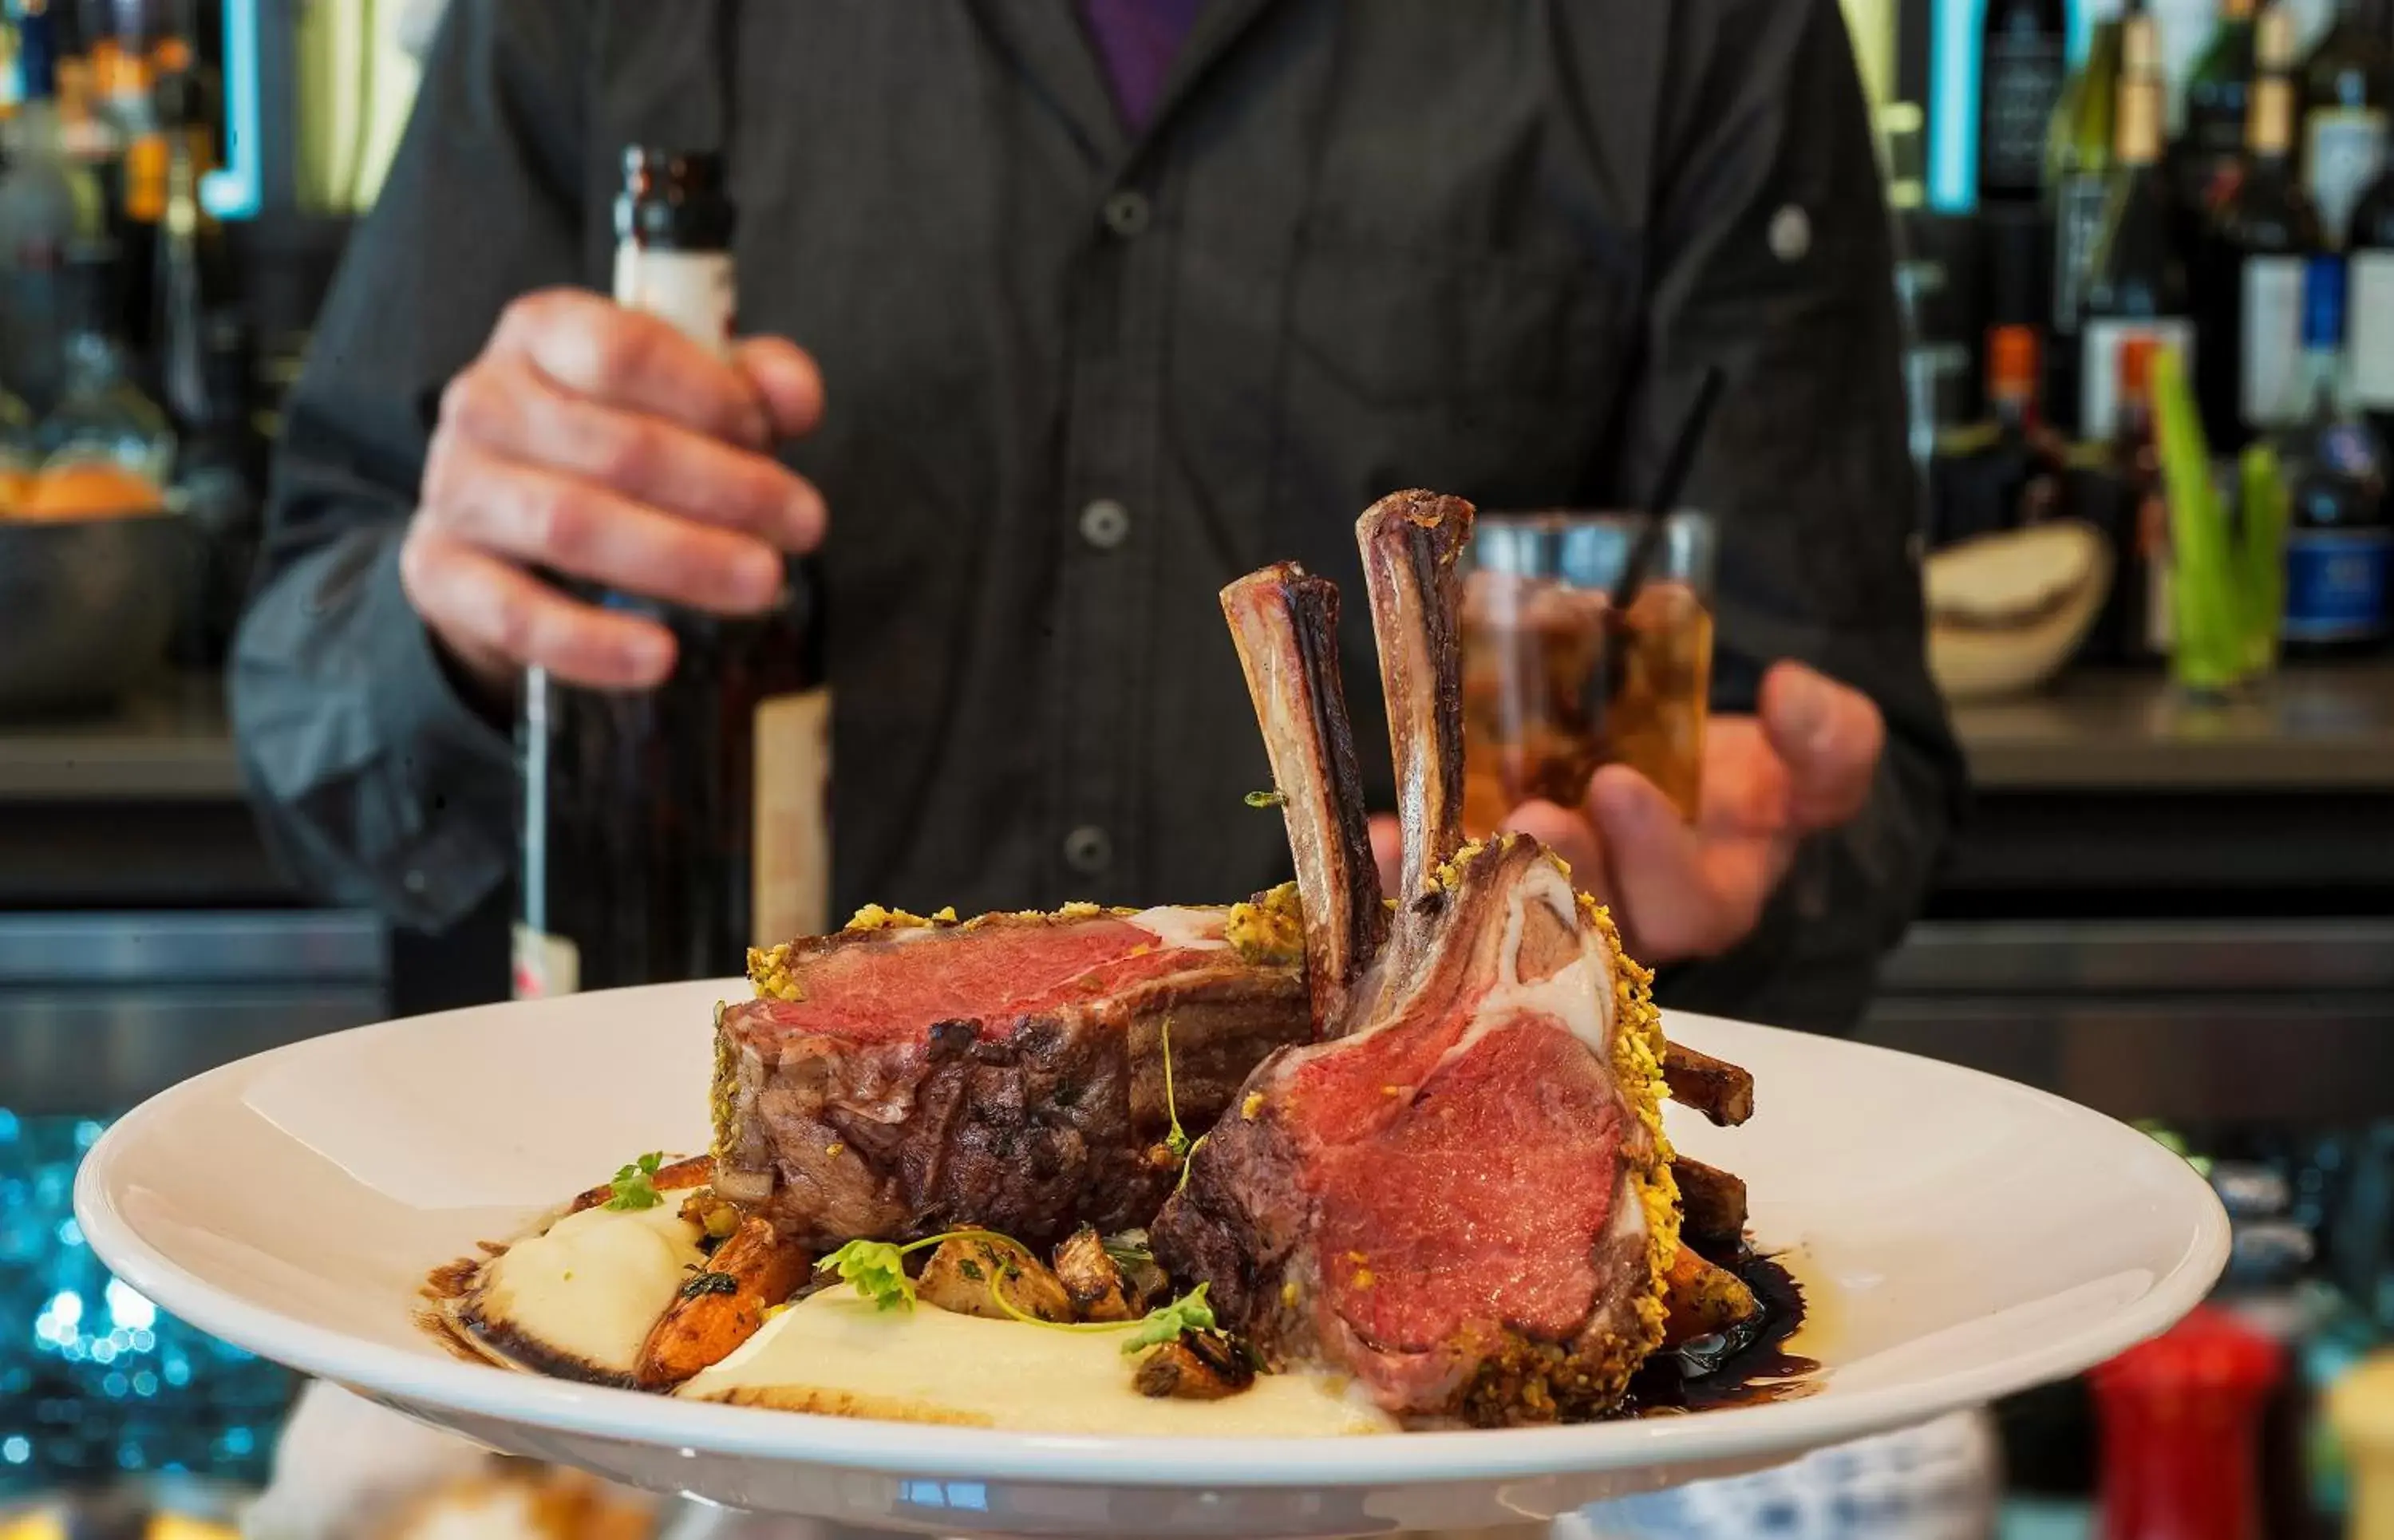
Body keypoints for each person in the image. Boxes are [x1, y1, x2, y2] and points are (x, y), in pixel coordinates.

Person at [231, 0, 1962, 1035]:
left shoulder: (1706, 33)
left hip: (1410, 1441)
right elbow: (307, 685)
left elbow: (1855, 780)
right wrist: (462, 628)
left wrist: (1755, 866)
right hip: (699, 1387)